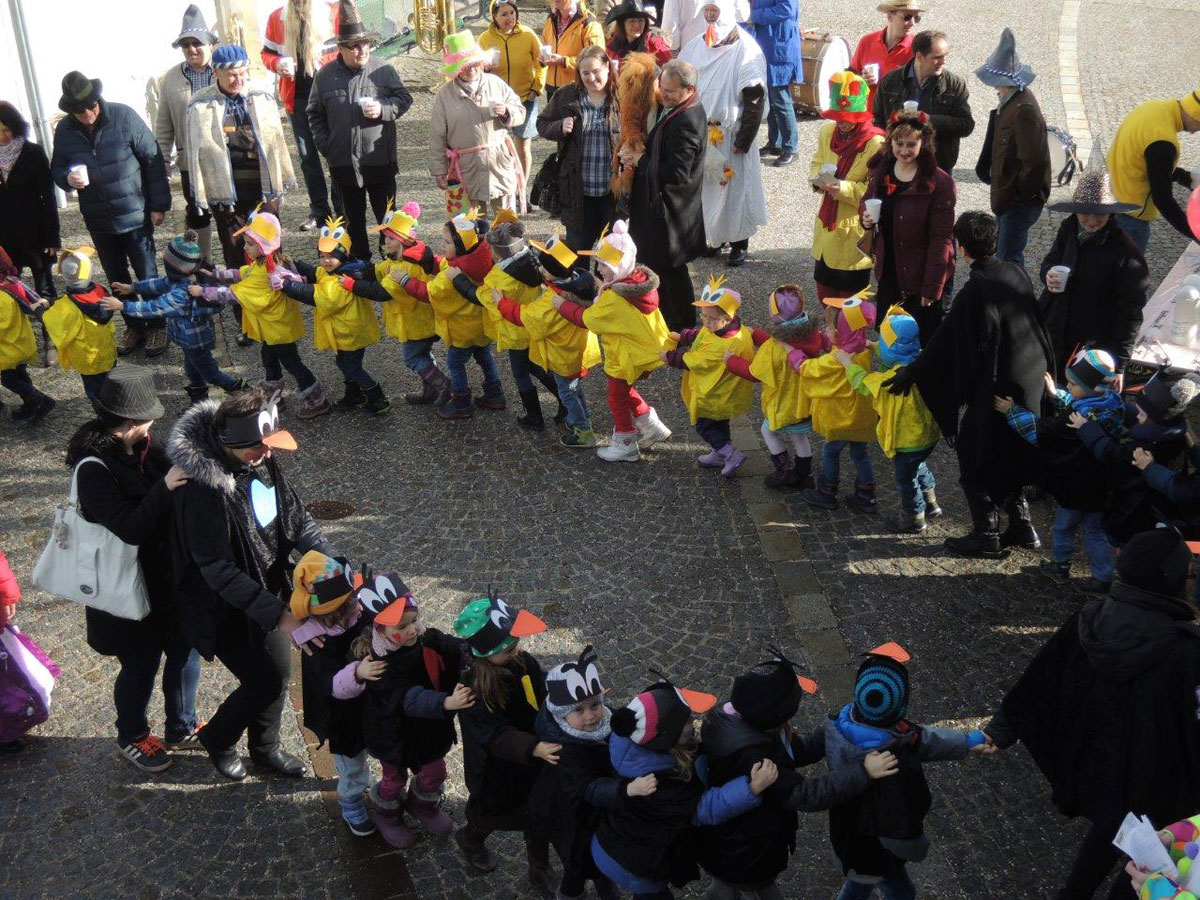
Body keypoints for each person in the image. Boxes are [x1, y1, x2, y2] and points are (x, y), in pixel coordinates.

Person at [985, 528, 1200, 900]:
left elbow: (1043, 676)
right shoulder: (1187, 651)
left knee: (1108, 826)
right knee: (1147, 862)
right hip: (1158, 785)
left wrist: (1002, 729)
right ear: (1175, 583)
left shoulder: (1091, 618)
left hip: (1102, 769)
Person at [168, 388, 331, 781]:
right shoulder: (201, 489)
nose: (269, 454)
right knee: (263, 680)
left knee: (277, 675)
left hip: (267, 590)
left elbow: (296, 517)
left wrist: (326, 559)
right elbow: (216, 570)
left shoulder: (261, 459)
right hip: (223, 608)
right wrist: (278, 614)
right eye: (259, 448)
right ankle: (219, 740)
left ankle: (265, 749)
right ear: (231, 444)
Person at [886, 211, 1054, 559]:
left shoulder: (974, 291)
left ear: (960, 248)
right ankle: (1022, 527)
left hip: (997, 393)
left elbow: (944, 344)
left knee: (974, 460)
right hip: (1030, 382)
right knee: (1012, 456)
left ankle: (987, 534)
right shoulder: (1015, 272)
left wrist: (910, 373)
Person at [65, 367, 200, 773]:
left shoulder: (143, 445)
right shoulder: (92, 469)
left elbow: (176, 469)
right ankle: (132, 734)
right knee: (141, 663)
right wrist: (167, 487)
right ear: (131, 421)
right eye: (150, 416)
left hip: (167, 579)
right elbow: (129, 528)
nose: (155, 423)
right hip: (125, 586)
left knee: (184, 649)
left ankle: (181, 725)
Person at [695, 650, 898, 900]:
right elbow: (806, 795)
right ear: (778, 716)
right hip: (746, 853)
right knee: (757, 890)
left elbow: (793, 752)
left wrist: (832, 731)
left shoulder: (737, 719)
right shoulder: (758, 759)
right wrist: (863, 772)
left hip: (729, 845)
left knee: (724, 886)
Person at [826, 643, 994, 900]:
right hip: (875, 854)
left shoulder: (837, 725)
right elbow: (900, 829)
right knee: (901, 892)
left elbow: (923, 738)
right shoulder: (894, 762)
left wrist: (965, 741)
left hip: (847, 840)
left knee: (858, 886)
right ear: (900, 709)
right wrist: (920, 849)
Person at [592, 676, 779, 899]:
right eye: (686, 722)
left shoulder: (633, 741)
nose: (693, 721)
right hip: (636, 865)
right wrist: (749, 788)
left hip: (613, 843)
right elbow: (702, 809)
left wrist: (692, 744)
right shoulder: (660, 786)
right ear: (667, 738)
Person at [50, 71, 171, 358]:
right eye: (80, 111)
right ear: (70, 111)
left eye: (91, 107)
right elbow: (56, 168)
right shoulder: (65, 131)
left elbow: (152, 160)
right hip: (99, 219)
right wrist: (68, 179)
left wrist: (159, 204)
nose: (88, 114)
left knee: (146, 273)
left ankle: (157, 324)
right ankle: (133, 325)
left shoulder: (124, 117)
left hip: (134, 213)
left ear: (98, 100)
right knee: (116, 275)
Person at [350, 571, 468, 847]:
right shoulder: (377, 662)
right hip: (393, 735)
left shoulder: (425, 637)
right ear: (380, 630)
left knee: (435, 772)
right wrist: (445, 703)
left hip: (427, 730)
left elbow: (452, 646)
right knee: (394, 779)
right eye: (401, 627)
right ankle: (386, 813)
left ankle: (422, 805)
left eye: (414, 620)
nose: (413, 629)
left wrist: (474, 648)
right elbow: (406, 697)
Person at [994, 349, 1124, 594]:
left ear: (1091, 386)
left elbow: (1042, 431)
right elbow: (1080, 404)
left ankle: (1060, 566)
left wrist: (1012, 412)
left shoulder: (1077, 417)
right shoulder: (1112, 404)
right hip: (1101, 487)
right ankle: (1102, 579)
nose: (1069, 386)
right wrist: (1057, 395)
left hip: (1075, 488)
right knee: (1096, 533)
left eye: (1073, 383)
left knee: (1064, 527)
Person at [451, 592, 556, 891]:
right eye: (507, 649)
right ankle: (470, 839)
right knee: (492, 815)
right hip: (498, 771)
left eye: (515, 644)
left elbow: (540, 685)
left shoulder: (522, 662)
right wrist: (531, 747)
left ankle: (540, 867)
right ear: (484, 653)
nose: (515, 651)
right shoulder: (475, 689)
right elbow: (492, 735)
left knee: (538, 814)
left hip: (532, 761)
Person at [550, 220, 674, 462]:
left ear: (620, 265)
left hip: (625, 355)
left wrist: (562, 304)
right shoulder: (636, 282)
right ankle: (653, 427)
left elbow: (590, 319)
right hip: (640, 349)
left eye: (604, 266)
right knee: (625, 391)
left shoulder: (616, 298)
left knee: (616, 397)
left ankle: (625, 442)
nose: (599, 270)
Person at [190, 211, 333, 419]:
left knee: (291, 362)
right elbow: (242, 273)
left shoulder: (265, 273)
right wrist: (216, 274)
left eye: (249, 244)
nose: (245, 247)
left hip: (278, 329)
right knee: (269, 356)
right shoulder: (267, 264)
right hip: (275, 329)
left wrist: (202, 291)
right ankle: (273, 395)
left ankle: (316, 398)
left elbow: (233, 294)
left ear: (263, 246)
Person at [308, 0, 413, 260]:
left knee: (387, 221)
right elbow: (314, 114)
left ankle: (391, 267)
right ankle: (362, 269)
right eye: (354, 46)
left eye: (365, 43)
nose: (361, 50)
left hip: (379, 161)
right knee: (352, 223)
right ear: (341, 48)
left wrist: (384, 109)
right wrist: (328, 145)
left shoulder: (383, 70)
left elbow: (404, 99)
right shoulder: (325, 76)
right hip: (343, 164)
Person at [529, 647, 632, 900]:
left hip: (598, 813)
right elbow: (585, 788)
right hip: (572, 817)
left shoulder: (606, 722)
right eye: (579, 710)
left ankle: (602, 878)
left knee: (602, 849)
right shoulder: (562, 750)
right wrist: (623, 790)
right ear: (562, 714)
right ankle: (570, 894)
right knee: (578, 863)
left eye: (595, 704)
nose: (590, 716)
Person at [287, 552, 378, 838]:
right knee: (350, 762)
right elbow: (330, 686)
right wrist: (358, 673)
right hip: (341, 714)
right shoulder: (318, 639)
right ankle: (351, 802)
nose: (357, 608)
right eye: (350, 606)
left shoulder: (357, 610)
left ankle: (365, 784)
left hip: (368, 705)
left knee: (367, 748)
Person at [1038, 148, 1147, 385]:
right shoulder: (1069, 229)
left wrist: (1119, 363)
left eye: (1100, 214)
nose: (1092, 221)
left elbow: (1130, 314)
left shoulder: (1126, 254)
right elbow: (1049, 262)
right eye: (1085, 213)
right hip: (1057, 328)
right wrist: (1048, 275)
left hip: (1092, 343)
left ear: (1111, 213)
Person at [185, 44, 296, 277]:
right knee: (236, 253)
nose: (238, 79)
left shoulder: (262, 97)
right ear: (216, 73)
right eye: (231, 75)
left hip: (263, 191)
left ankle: (278, 300)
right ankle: (243, 307)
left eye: (241, 73)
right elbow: (198, 154)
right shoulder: (200, 105)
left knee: (269, 247)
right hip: (227, 196)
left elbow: (276, 142)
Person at [103, 231, 247, 404]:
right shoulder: (183, 277)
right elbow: (159, 283)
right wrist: (133, 288)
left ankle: (242, 391)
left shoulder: (181, 294)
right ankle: (199, 400)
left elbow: (153, 308)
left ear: (173, 266)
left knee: (212, 374)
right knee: (192, 371)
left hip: (194, 341)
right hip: (189, 341)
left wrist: (122, 306)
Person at [835, 308, 941, 534]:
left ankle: (915, 516)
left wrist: (846, 362)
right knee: (920, 467)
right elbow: (896, 354)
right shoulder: (921, 361)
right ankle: (932, 503)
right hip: (927, 437)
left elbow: (863, 382)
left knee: (906, 479)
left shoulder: (891, 381)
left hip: (906, 440)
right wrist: (874, 347)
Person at [390, 212, 506, 420]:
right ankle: (494, 392)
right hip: (481, 327)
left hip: (462, 330)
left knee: (455, 363)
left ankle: (461, 401)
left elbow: (430, 292)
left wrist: (406, 280)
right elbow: (444, 262)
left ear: (460, 246)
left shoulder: (451, 276)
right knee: (484, 356)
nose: (442, 245)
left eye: (446, 242)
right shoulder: (481, 258)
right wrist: (431, 260)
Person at [679, 0, 768, 267]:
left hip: (732, 135)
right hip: (701, 133)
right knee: (708, 188)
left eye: (715, 12)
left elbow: (755, 97)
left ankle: (740, 242)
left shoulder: (745, 49)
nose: (710, 17)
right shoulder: (695, 46)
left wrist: (744, 139)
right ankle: (715, 239)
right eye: (707, 12)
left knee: (735, 189)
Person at [340, 201, 452, 406]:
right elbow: (377, 269)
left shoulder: (403, 268)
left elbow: (381, 291)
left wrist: (351, 284)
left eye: (390, 238)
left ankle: (443, 385)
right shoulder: (404, 258)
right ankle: (431, 390)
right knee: (423, 354)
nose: (385, 241)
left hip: (415, 323)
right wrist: (354, 269)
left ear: (402, 241)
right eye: (385, 237)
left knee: (412, 358)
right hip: (422, 320)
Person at [1074, 367, 1199, 549]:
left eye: (1141, 414)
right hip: (1160, 512)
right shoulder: (1176, 436)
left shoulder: (1139, 451)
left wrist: (1086, 428)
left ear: (1150, 419)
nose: (1137, 415)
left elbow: (1109, 452)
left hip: (1132, 516)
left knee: (1132, 551)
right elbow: (1142, 414)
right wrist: (1121, 407)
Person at [493, 242, 604, 447]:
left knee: (567, 393)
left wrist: (501, 303)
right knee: (575, 389)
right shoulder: (579, 283)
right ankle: (579, 419)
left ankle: (583, 432)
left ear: (555, 272)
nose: (540, 270)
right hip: (578, 352)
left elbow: (527, 317)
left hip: (563, 357)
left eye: (544, 267)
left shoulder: (554, 300)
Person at [278, 216, 390, 415]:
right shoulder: (331, 271)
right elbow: (316, 273)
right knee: (344, 363)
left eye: (330, 256)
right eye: (322, 256)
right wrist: (294, 263)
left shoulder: (341, 279)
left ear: (344, 255)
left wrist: (287, 286)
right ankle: (354, 394)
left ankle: (377, 398)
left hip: (351, 333)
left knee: (352, 367)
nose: (325, 261)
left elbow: (319, 296)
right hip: (345, 333)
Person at [626, 59, 707, 330]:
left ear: (689, 89)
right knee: (662, 268)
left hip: (673, 213)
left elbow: (676, 173)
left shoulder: (687, 120)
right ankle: (666, 321)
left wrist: (641, 160)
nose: (664, 95)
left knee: (672, 272)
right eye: (662, 88)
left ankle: (682, 326)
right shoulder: (679, 107)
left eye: (671, 91)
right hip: (665, 210)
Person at [861, 111, 955, 343]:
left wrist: (932, 287)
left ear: (924, 143)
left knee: (919, 343)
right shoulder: (882, 170)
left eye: (911, 144)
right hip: (890, 269)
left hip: (920, 274)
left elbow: (941, 239)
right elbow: (866, 200)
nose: (904, 150)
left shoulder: (939, 182)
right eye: (899, 143)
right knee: (891, 340)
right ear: (890, 141)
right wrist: (865, 217)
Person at [725, 284, 828, 491]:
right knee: (800, 435)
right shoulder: (813, 334)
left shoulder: (773, 348)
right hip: (805, 400)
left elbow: (754, 372)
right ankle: (805, 475)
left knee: (768, 430)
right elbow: (782, 339)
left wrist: (731, 361)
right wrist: (758, 336)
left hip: (783, 402)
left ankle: (785, 472)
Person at [662, 276, 755, 476]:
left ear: (728, 318)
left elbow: (695, 360)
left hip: (714, 394)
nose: (705, 322)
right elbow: (701, 335)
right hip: (723, 394)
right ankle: (719, 451)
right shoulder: (726, 329)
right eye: (703, 316)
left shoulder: (722, 345)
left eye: (711, 318)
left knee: (704, 426)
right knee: (720, 424)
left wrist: (669, 356)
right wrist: (684, 336)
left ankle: (730, 454)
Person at [809, 70, 885, 313]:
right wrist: (817, 181)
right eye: (837, 116)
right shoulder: (826, 132)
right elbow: (817, 162)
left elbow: (875, 192)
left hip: (852, 234)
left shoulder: (876, 144)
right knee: (825, 295)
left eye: (846, 117)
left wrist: (841, 188)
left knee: (850, 305)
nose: (840, 122)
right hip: (826, 231)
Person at [973, 28, 1050, 269]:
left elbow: (1034, 162)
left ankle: (1017, 303)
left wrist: (1019, 196)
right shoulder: (1011, 102)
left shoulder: (1022, 110)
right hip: (1009, 198)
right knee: (1006, 256)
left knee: (1009, 260)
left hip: (1017, 202)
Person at [481, 217, 567, 430]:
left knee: (520, 373)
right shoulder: (533, 259)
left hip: (514, 331)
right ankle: (564, 402)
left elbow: (485, 297)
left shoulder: (498, 277)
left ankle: (534, 415)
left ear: (497, 251)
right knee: (536, 366)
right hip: (532, 326)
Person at [262, 0, 341, 232]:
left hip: (329, 96)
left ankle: (342, 208)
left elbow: (343, 49)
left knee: (334, 154)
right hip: (297, 98)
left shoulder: (330, 11)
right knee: (308, 158)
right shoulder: (277, 18)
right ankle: (320, 211)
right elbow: (266, 54)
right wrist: (277, 63)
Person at [431, 30, 527, 215]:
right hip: (466, 167)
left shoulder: (495, 83)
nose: (471, 69)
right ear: (456, 69)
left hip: (498, 161)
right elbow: (437, 136)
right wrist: (439, 169)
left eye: (475, 63)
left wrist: (507, 112)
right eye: (465, 65)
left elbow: (520, 110)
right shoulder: (444, 95)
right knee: (471, 226)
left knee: (506, 221)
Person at [537, 45, 620, 254]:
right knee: (577, 253)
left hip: (612, 193)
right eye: (585, 73)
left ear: (608, 68)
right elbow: (542, 123)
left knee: (609, 256)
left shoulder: (622, 97)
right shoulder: (566, 96)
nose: (592, 78)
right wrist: (559, 127)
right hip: (577, 192)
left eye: (596, 71)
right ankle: (579, 286)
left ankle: (604, 286)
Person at [799, 295, 880, 512]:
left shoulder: (837, 358)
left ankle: (826, 493)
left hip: (842, 419)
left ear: (841, 332)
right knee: (860, 454)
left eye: (829, 327)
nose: (826, 331)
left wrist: (795, 358)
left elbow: (810, 370)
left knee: (831, 452)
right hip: (861, 418)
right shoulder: (862, 348)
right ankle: (866, 495)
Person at [156, 5, 220, 264]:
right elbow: (164, 123)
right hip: (190, 161)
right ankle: (202, 262)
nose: (192, 49)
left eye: (197, 43)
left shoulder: (223, 69)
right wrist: (162, 159)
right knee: (197, 213)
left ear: (209, 44)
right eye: (186, 45)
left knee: (230, 213)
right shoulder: (172, 78)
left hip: (223, 157)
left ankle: (238, 262)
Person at [1108, 89, 1200, 254]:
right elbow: (1163, 200)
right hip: (1130, 219)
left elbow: (1146, 164)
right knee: (1128, 277)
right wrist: (1195, 233)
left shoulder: (1154, 108)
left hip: (1111, 201)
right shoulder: (1163, 142)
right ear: (1195, 114)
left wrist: (1184, 177)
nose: (1196, 131)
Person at [872, 30, 973, 174]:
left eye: (945, 56)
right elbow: (877, 120)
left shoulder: (954, 84)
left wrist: (928, 120)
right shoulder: (890, 81)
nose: (944, 62)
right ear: (919, 56)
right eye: (937, 57)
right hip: (896, 165)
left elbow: (966, 125)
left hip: (937, 166)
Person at [480, 0, 547, 188]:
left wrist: (536, 88)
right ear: (494, 17)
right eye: (504, 14)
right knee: (496, 146)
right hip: (496, 100)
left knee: (523, 147)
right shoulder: (485, 38)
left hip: (525, 98)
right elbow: (477, 68)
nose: (510, 18)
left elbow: (541, 62)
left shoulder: (527, 34)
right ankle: (502, 187)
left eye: (512, 13)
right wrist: (484, 68)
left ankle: (521, 190)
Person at [0, 102, 60, 303]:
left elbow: (49, 197)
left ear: (15, 126)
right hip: (4, 237)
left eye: (6, 130)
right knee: (9, 291)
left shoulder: (33, 153)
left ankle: (50, 329)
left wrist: (53, 237)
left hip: (35, 232)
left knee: (44, 289)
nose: (2, 137)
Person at [41, 247, 117, 405]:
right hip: (107, 353)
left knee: (95, 391)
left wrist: (41, 309)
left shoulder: (66, 306)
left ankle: (105, 416)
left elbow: (54, 325)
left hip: (87, 359)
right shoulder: (101, 291)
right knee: (111, 383)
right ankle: (116, 407)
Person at [0, 246, 55, 421]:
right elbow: (35, 302)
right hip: (21, 343)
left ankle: (39, 399)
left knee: (8, 380)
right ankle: (31, 404)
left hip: (7, 349)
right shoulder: (12, 283)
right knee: (21, 375)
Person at [748, 0, 800, 167]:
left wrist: (753, 16)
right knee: (770, 97)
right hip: (767, 43)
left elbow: (786, 9)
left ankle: (791, 147)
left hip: (779, 45)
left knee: (780, 97)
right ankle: (775, 143)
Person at [850, 0, 921, 110]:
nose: (912, 23)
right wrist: (861, 79)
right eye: (907, 17)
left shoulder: (917, 49)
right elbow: (850, 76)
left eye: (916, 18)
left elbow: (922, 89)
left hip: (896, 118)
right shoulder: (867, 41)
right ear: (890, 17)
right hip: (866, 116)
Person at [541, 0, 606, 100]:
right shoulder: (550, 19)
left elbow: (597, 61)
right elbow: (545, 44)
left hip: (577, 90)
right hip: (552, 89)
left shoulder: (589, 23)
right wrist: (542, 59)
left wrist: (563, 61)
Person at [605, 0, 671, 64]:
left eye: (640, 21)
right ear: (622, 24)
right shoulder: (612, 46)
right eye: (632, 21)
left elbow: (670, 69)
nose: (637, 25)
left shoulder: (655, 45)